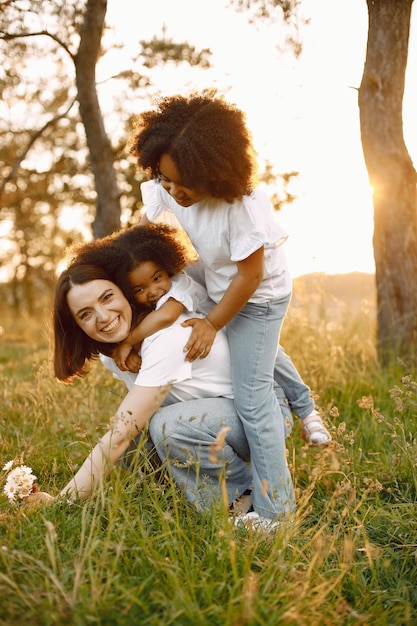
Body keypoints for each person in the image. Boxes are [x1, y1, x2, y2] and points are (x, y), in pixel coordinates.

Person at [129, 90, 331, 522]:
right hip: (215, 275)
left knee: (253, 396)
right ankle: (300, 401)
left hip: (256, 296)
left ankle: (278, 515)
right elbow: (144, 239)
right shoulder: (168, 183)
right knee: (183, 299)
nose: (174, 191)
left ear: (216, 173)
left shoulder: (242, 206)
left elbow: (250, 277)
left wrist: (211, 323)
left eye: (186, 184)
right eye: (165, 179)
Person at [51, 257, 294, 527]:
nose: (103, 316)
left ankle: (242, 503)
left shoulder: (166, 335)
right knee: (136, 443)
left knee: (168, 427)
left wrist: (61, 502)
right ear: (76, 325)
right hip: (215, 416)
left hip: (262, 416)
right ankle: (182, 499)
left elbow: (120, 433)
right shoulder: (115, 352)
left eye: (107, 297)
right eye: (86, 314)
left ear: (124, 290)